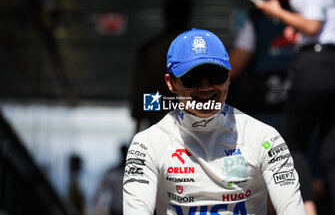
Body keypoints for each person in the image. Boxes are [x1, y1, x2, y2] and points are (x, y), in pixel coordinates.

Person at [123, 28, 306, 215]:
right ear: (171, 83)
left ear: (228, 77)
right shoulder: (147, 144)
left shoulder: (264, 138)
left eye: (215, 74)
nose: (205, 86)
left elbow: (292, 208)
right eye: (191, 77)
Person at [255, 0, 335, 215]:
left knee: (290, 144)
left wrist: (277, 12)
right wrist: (298, 30)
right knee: (333, 154)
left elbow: (313, 25)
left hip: (317, 65)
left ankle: (307, 211)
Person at [130, 0, 192, 133]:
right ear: (188, 15)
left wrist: (138, 131)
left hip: (158, 123)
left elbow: (141, 93)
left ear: (164, 15)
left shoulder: (150, 50)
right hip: (194, 125)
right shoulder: (201, 50)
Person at [93, 145, 128, 215]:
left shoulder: (112, 172)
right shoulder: (112, 173)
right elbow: (100, 191)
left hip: (124, 208)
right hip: (117, 209)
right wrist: (98, 206)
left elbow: (99, 191)